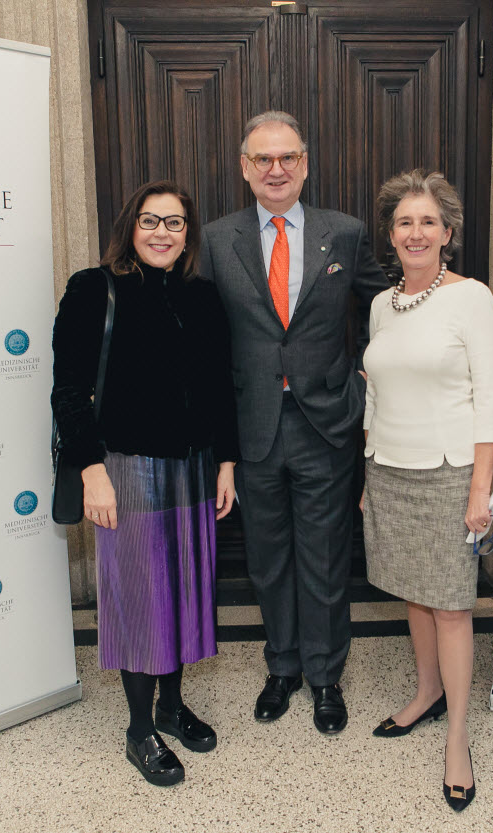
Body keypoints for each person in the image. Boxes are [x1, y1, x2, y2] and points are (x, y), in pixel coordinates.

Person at [200, 111, 389, 733]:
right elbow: (203, 335)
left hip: (325, 422)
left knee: (325, 558)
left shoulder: (346, 233)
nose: (275, 169)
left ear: (305, 165)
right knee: (268, 559)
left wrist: (365, 374)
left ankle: (326, 676)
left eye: (287, 158)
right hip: (252, 425)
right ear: (244, 168)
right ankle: (282, 667)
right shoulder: (216, 239)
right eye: (263, 159)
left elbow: (384, 307)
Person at [51, 180, 238, 787]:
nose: (162, 232)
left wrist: (227, 463)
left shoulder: (201, 295)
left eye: (175, 222)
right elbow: (68, 389)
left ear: (188, 233)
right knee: (140, 597)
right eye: (151, 220)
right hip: (124, 467)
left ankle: (172, 706)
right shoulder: (93, 288)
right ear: (130, 226)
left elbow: (219, 386)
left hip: (193, 466)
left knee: (182, 591)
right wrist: (92, 471)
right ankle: (139, 730)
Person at [361, 170, 493, 811]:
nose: (415, 233)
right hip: (389, 469)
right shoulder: (381, 304)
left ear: (448, 233)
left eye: (427, 222)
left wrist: (480, 489)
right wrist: (367, 470)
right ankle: (426, 693)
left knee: (450, 606)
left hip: (451, 473)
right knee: (414, 593)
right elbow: (374, 394)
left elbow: (489, 399)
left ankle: (458, 739)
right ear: (391, 235)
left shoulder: (471, 297)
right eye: (404, 222)